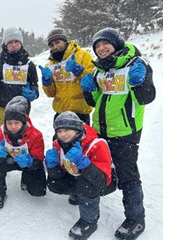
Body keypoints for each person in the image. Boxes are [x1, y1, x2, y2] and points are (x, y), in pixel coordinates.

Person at [80, 27, 156, 240]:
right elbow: (95, 101)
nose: (101, 48)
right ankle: (89, 199)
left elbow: (146, 98)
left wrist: (140, 82)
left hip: (125, 131)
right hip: (100, 130)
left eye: (105, 44)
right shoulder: (100, 70)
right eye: (97, 46)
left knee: (127, 175)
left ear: (117, 44)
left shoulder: (137, 64)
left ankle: (136, 219)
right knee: (98, 166)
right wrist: (88, 90)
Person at [45, 111, 112, 240]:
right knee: (54, 184)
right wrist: (52, 165)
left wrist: (84, 164)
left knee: (85, 185)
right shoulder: (58, 144)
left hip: (101, 182)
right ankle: (77, 193)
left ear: (77, 129)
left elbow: (102, 180)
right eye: (59, 131)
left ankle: (89, 222)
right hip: (77, 177)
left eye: (66, 129)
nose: (62, 134)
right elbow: (58, 175)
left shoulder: (97, 144)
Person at [0, 96, 46, 210]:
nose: (13, 127)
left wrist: (30, 162)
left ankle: (26, 177)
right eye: (9, 123)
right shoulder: (1, 132)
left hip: (27, 162)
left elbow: (39, 158)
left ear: (23, 122)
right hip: (8, 160)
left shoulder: (35, 135)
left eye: (17, 122)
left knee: (38, 191)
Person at [38, 28, 95, 130]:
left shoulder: (82, 55)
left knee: (81, 144)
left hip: (80, 113)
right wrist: (47, 82)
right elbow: (50, 93)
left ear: (65, 41)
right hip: (60, 113)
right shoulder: (51, 64)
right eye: (52, 45)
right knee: (60, 144)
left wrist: (80, 71)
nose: (55, 47)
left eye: (57, 42)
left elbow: (93, 79)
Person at [0, 27, 39, 131]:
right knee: (1, 141)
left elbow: (35, 86)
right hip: (2, 109)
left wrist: (33, 93)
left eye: (16, 41)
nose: (14, 45)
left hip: (22, 109)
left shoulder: (29, 64)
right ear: (5, 44)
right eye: (10, 42)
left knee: (22, 142)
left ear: (21, 43)